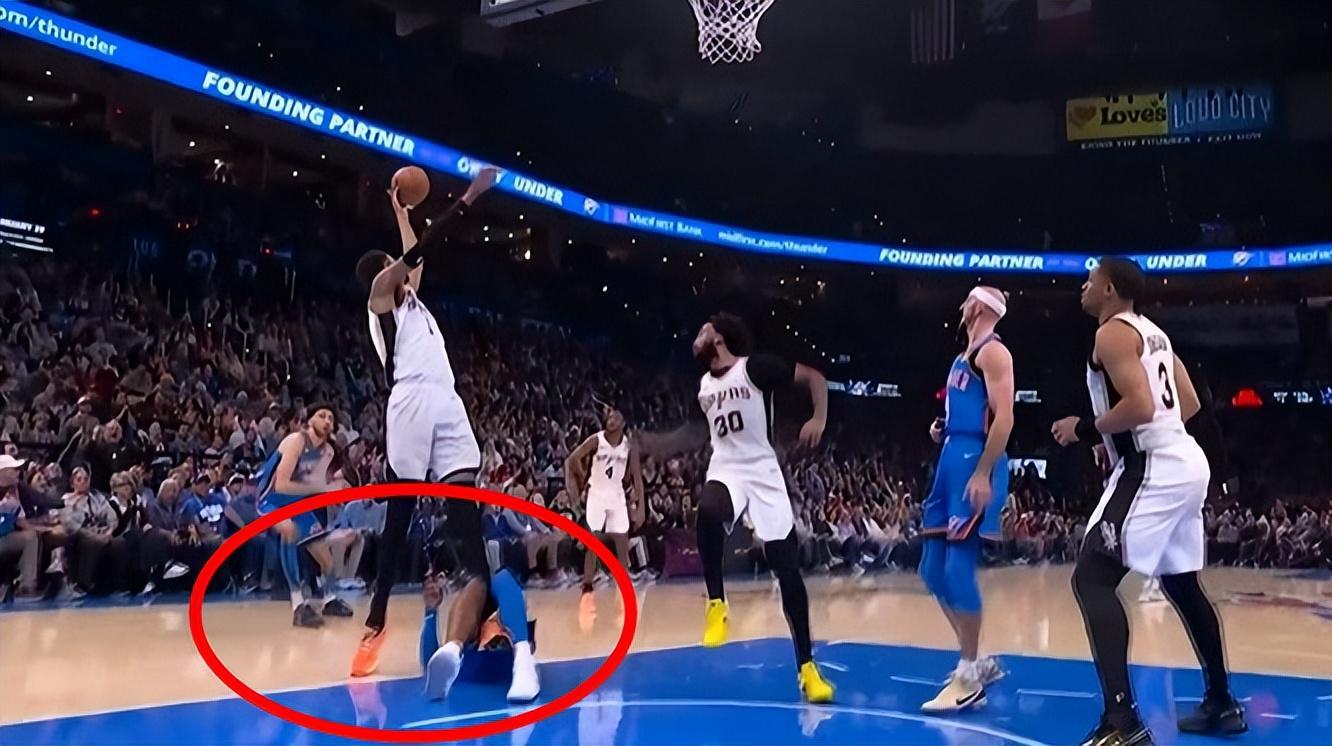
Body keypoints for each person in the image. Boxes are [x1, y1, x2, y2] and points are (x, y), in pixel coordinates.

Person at [1052, 257, 1245, 745]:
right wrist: (1116, 437)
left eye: (1091, 280)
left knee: (1092, 577)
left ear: (1110, 290)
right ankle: (1221, 703)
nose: (1083, 287)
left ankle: (1121, 722)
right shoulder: (1154, 333)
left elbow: (1139, 405)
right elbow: (1189, 404)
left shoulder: (1111, 333)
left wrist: (1084, 429)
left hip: (1153, 464)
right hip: (1185, 458)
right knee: (1181, 584)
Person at [350, 166, 506, 689]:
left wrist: (401, 212)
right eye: (394, 264)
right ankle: (375, 623)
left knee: (466, 511)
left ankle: (487, 619)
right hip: (411, 400)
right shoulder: (379, 296)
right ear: (383, 271)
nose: (401, 267)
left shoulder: (412, 301)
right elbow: (418, 253)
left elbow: (416, 255)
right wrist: (468, 197)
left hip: (446, 398)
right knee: (399, 516)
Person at [640, 313, 835, 704]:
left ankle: (807, 668)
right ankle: (717, 603)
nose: (696, 338)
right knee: (709, 510)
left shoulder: (755, 369)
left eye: (702, 331)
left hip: (763, 470)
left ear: (719, 338)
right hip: (727, 467)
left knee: (787, 571)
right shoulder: (703, 387)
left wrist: (818, 417)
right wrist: (656, 443)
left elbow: (815, 377)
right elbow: (694, 432)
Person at [919, 286, 1015, 713]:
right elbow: (972, 408)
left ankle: (969, 674)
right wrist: (944, 427)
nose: (960, 306)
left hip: (975, 461)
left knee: (957, 570)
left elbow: (1004, 418)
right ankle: (977, 660)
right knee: (931, 569)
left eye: (966, 301)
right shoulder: (965, 355)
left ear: (977, 306)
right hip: (951, 456)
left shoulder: (994, 352)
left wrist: (982, 472)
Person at [258, 405, 354, 628]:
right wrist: (325, 489)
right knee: (288, 529)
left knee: (326, 559)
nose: (327, 421)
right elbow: (282, 485)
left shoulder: (327, 452)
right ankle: (298, 606)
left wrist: (336, 490)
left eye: (331, 418)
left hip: (296, 503)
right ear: (309, 420)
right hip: (270, 500)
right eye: (322, 415)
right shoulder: (296, 441)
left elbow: (314, 487)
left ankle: (329, 599)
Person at [565, 406, 645, 620]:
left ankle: (623, 586)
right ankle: (587, 586)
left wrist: (641, 507)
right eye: (609, 416)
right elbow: (573, 459)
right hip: (597, 493)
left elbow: (637, 477)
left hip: (616, 494)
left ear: (623, 422)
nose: (611, 419)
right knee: (593, 542)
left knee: (622, 542)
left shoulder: (629, 446)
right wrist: (582, 480)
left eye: (616, 416)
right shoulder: (596, 440)